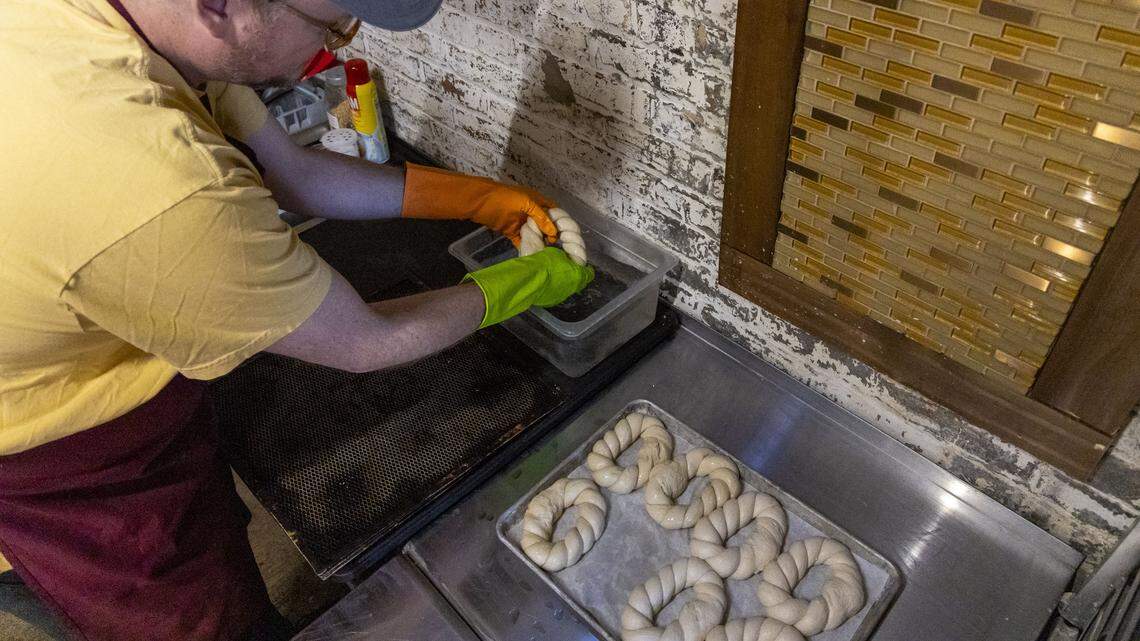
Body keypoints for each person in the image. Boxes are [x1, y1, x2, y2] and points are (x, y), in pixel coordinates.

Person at [0, 0, 593, 639]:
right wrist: (522, 285)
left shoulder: (156, 26)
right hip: (58, 445)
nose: (334, 51)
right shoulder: (157, 186)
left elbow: (299, 175)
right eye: (330, 25)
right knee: (190, 608)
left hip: (82, 317)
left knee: (209, 519)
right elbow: (367, 340)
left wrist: (473, 198)